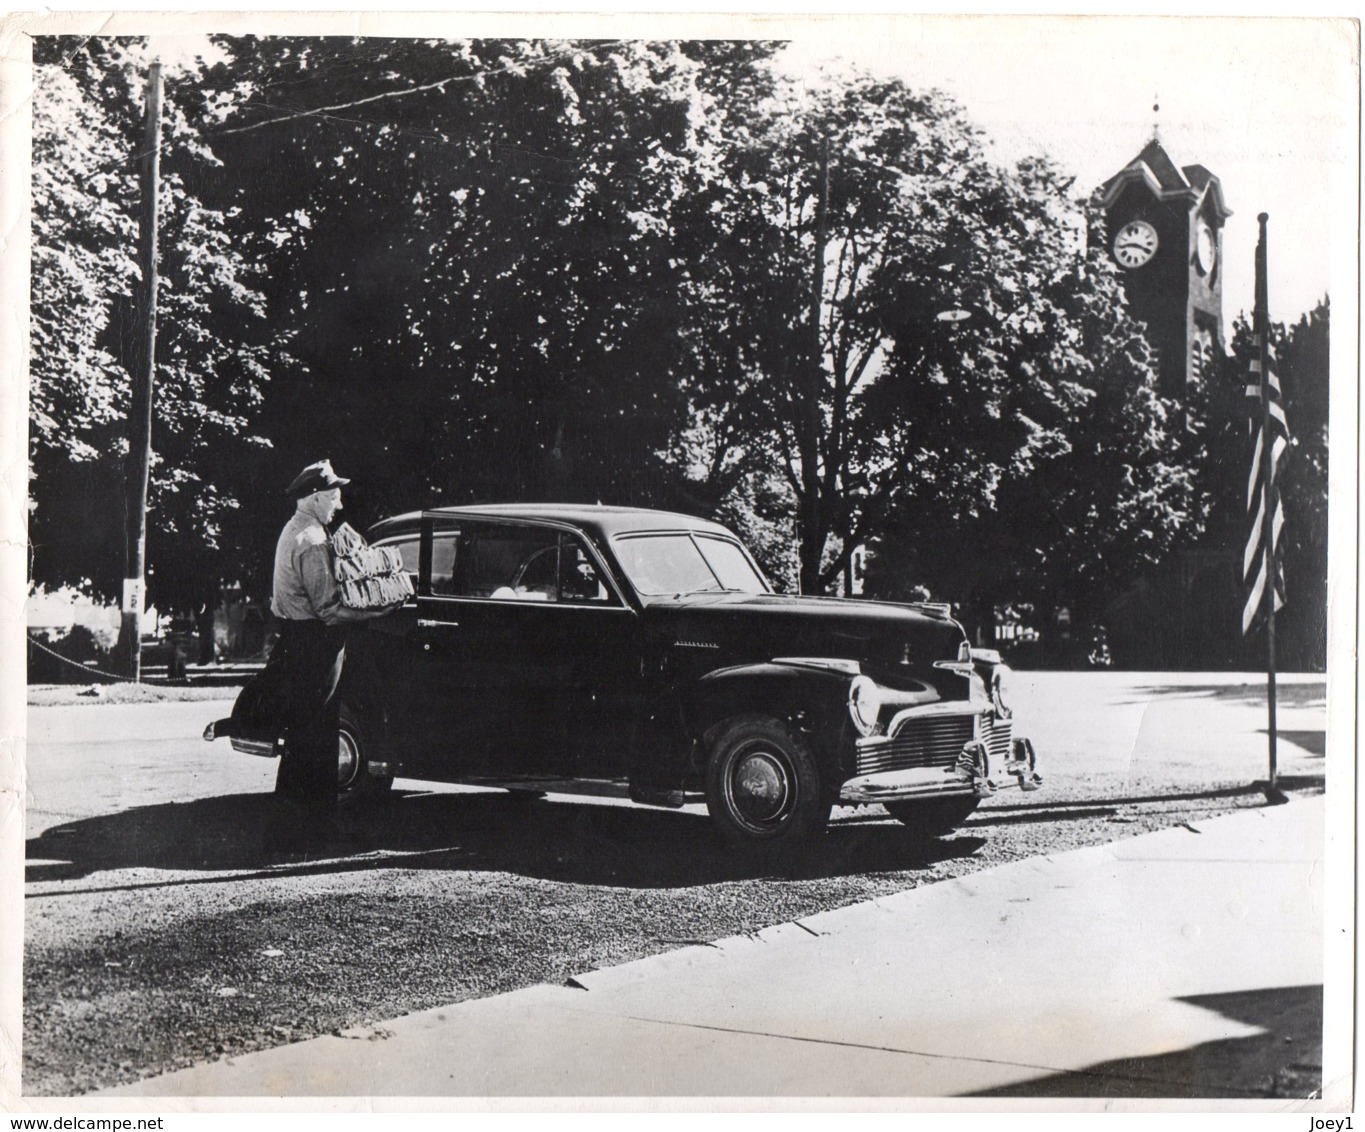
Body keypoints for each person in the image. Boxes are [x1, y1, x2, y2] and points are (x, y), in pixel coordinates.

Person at [267, 459, 390, 827]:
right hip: (315, 644)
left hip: (295, 639)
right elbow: (330, 609)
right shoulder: (313, 540)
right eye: (334, 497)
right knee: (319, 733)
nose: (339, 505)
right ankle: (311, 828)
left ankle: (292, 825)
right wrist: (378, 612)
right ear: (316, 497)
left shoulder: (293, 530)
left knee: (302, 732)